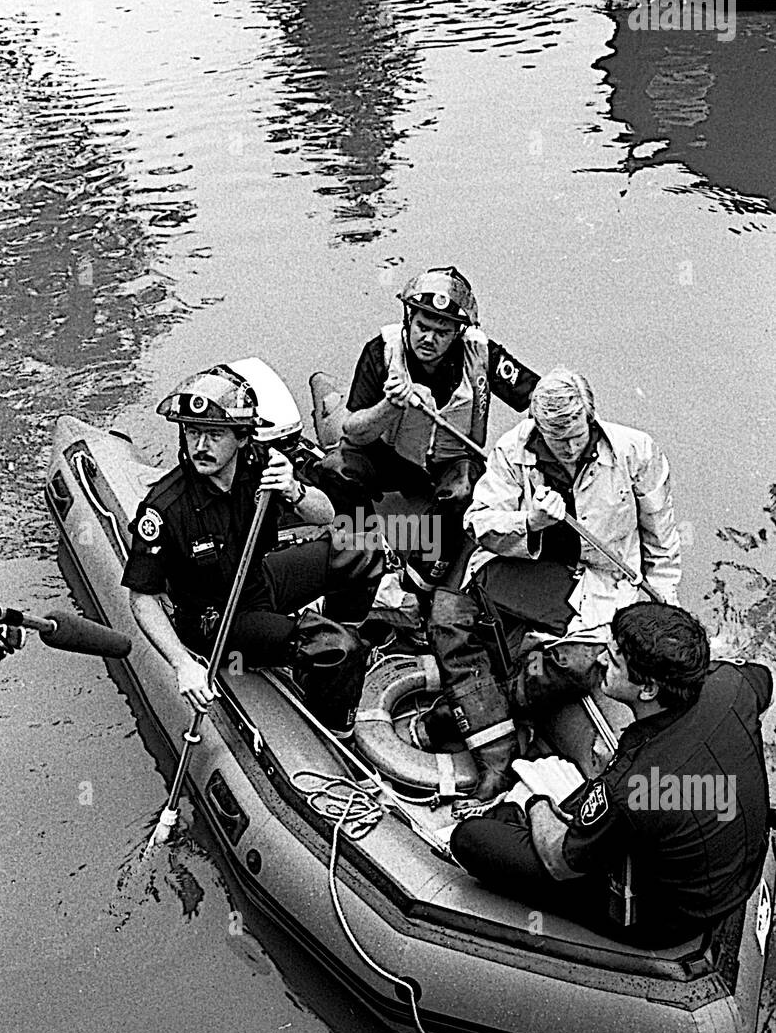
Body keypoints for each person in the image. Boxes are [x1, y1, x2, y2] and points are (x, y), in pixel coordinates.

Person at [450, 603, 773, 948]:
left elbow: (560, 863)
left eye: (614, 660)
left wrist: (535, 800)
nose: (601, 659)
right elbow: (763, 679)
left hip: (666, 917)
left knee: (472, 838)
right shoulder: (733, 685)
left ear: (648, 689)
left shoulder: (634, 788)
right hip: (734, 869)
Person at [426, 366, 682, 800]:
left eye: (574, 436)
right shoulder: (513, 449)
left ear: (592, 418)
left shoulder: (638, 452)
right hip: (529, 570)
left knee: (586, 665)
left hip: (601, 583)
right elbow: (480, 522)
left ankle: (473, 710)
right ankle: (497, 749)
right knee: (447, 615)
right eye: (553, 438)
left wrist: (664, 613)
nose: (565, 448)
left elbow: (662, 542)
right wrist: (528, 521)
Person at [122, 363, 383, 740]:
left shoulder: (259, 463)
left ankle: (332, 664)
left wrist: (294, 489)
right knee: (338, 647)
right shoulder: (165, 508)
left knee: (363, 547)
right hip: (217, 621)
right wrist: (182, 664)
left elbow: (327, 514)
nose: (200, 447)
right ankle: (336, 730)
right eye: (192, 432)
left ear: (243, 437)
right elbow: (142, 598)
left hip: (259, 581)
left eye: (214, 435)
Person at [311, 266, 539, 606]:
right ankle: (366, 555)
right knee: (336, 469)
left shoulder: (483, 354)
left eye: (441, 332)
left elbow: (536, 397)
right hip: (391, 456)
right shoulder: (381, 351)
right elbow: (353, 432)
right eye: (421, 326)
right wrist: (390, 405)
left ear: (458, 334)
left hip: (451, 461)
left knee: (463, 492)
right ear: (408, 319)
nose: (428, 339)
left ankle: (420, 582)